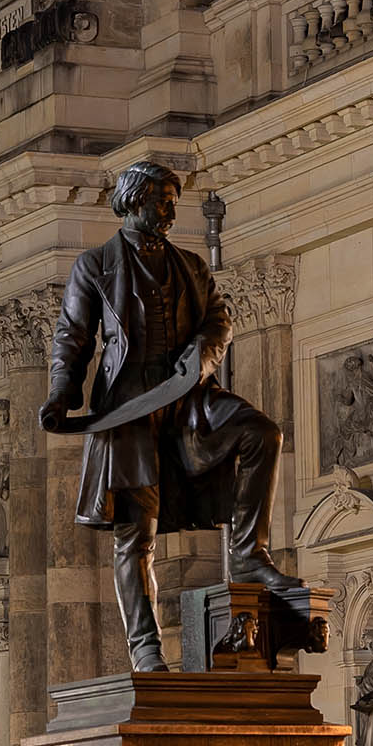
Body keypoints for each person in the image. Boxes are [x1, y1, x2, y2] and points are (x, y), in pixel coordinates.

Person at [40, 164, 285, 671]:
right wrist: (62, 395)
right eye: (163, 200)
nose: (171, 210)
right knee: (136, 532)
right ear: (133, 201)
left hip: (188, 393)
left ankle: (247, 553)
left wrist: (201, 354)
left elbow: (219, 321)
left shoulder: (192, 267)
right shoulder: (95, 266)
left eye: (174, 200)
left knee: (262, 433)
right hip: (128, 407)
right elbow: (72, 338)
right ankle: (146, 649)